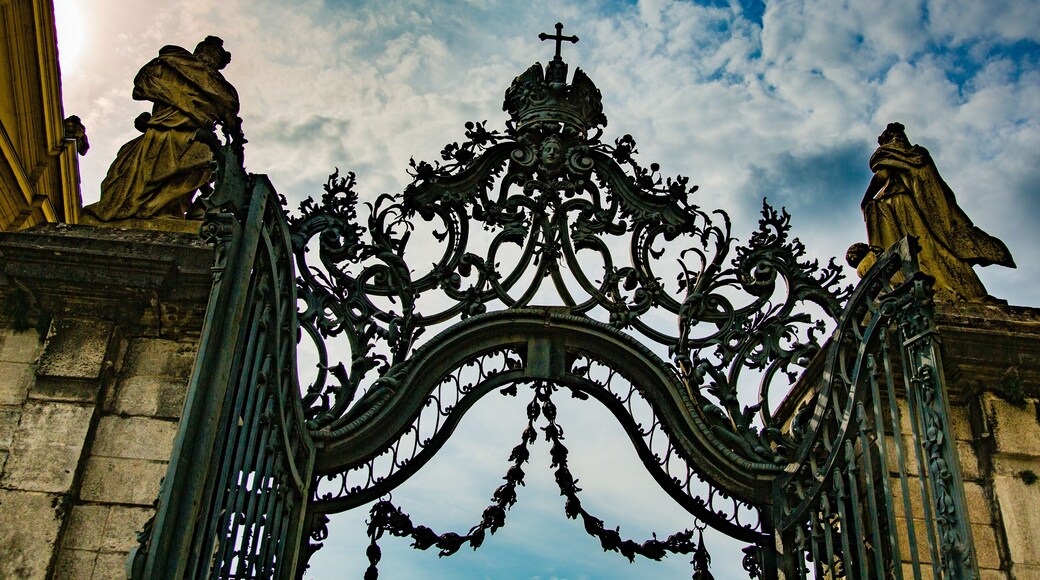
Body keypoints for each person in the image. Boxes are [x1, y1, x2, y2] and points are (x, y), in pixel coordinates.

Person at [83, 36, 240, 222]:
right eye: (209, 50)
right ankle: (142, 213)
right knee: (132, 174)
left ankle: (161, 212)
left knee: (203, 161)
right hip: (160, 130)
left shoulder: (223, 90)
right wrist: (181, 102)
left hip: (195, 137)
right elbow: (141, 87)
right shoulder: (172, 63)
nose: (210, 56)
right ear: (200, 49)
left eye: (216, 55)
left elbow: (231, 121)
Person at [859, 123, 1015, 301]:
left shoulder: (891, 153)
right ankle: (962, 291)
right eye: (897, 136)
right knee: (934, 248)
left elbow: (883, 174)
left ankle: (941, 290)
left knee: (923, 249)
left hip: (903, 206)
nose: (899, 139)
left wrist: (866, 200)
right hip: (918, 208)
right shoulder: (917, 153)